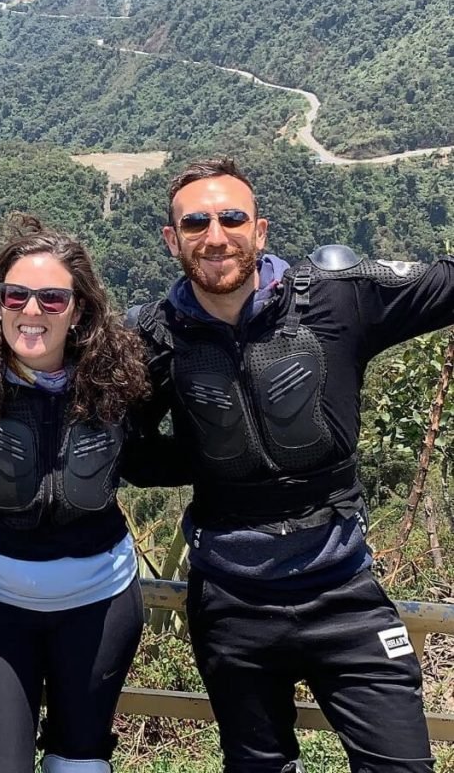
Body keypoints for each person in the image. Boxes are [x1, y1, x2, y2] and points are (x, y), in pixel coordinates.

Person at [128, 156, 454, 773]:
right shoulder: (152, 341)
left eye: (232, 218)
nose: (215, 236)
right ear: (173, 239)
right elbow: (125, 451)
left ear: (261, 230)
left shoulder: (337, 299)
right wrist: (219, 456)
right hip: (231, 601)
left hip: (345, 591)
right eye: (195, 223)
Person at [0, 215, 162, 773]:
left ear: (79, 311)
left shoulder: (117, 381)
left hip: (102, 603)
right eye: (16, 295)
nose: (31, 311)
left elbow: (155, 453)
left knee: (82, 762)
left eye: (52, 299)